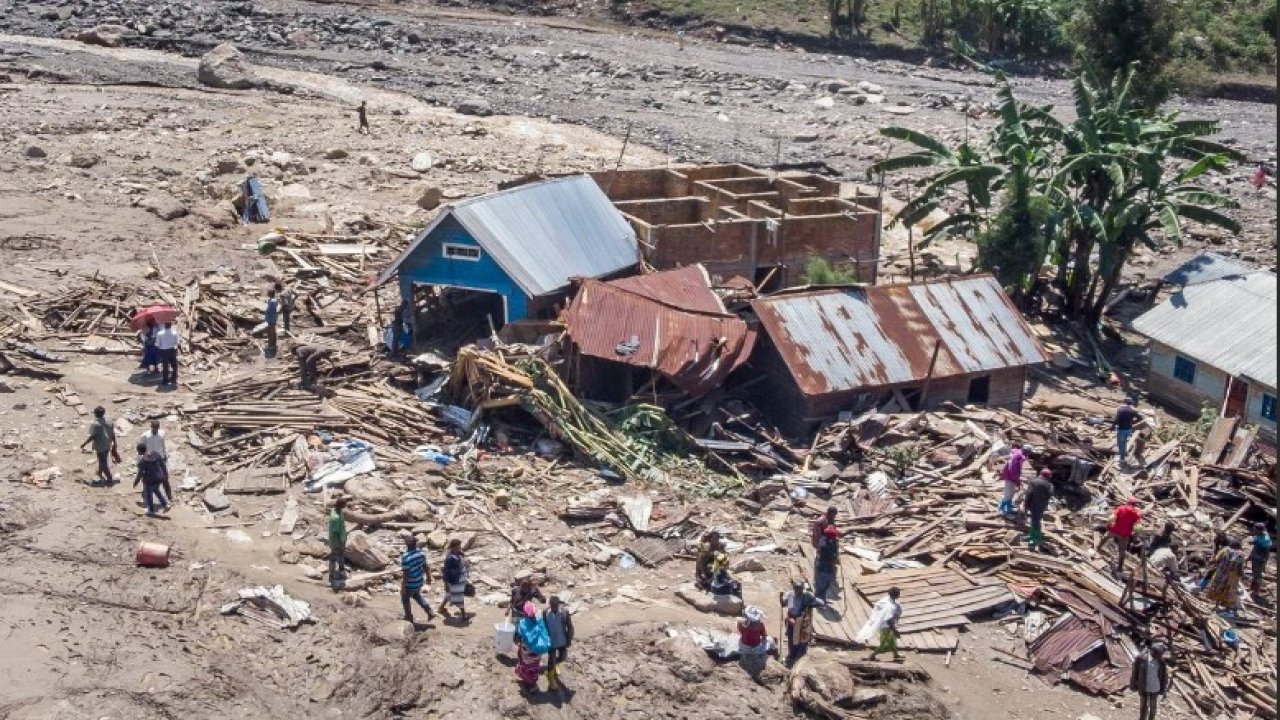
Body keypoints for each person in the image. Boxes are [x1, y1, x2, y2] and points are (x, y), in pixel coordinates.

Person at [780, 578, 827, 666]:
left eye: (799, 588)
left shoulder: (807, 596)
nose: (798, 590)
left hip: (803, 622)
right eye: (796, 588)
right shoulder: (790, 596)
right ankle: (792, 655)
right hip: (792, 620)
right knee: (791, 638)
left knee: (802, 640)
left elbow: (820, 603)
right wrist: (781, 599)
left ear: (802, 588)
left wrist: (814, 604)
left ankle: (800, 658)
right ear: (794, 588)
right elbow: (787, 607)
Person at [514, 601, 549, 692]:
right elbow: (544, 631)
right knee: (533, 667)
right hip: (537, 649)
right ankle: (530, 682)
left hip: (526, 649)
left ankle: (533, 685)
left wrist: (518, 641)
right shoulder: (539, 620)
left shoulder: (522, 623)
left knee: (526, 665)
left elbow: (518, 636)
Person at [1129, 641, 1169, 720]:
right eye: (1158, 654)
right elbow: (1135, 672)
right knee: (1143, 705)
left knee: (1153, 706)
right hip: (1143, 686)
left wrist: (1163, 689)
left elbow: (1164, 676)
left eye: (1160, 655)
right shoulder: (1141, 659)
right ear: (1152, 651)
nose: (1159, 656)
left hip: (1155, 687)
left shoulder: (1161, 662)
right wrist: (1133, 684)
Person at [399, 534, 434, 623]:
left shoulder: (405, 557)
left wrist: (402, 587)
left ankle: (409, 616)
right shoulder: (421, 553)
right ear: (415, 544)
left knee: (405, 599)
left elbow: (406, 574)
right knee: (416, 596)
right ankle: (429, 610)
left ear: (406, 544)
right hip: (419, 581)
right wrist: (429, 578)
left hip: (410, 583)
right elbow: (426, 566)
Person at [1204, 538, 1246, 611]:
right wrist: (1242, 575)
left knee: (1218, 588)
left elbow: (1216, 560)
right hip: (1232, 576)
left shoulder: (1225, 550)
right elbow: (1240, 567)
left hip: (1221, 573)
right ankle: (1227, 608)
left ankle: (1216, 606)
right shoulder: (1240, 555)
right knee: (1229, 591)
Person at [542, 595, 574, 691]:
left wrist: (569, 639)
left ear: (558, 604)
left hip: (562, 640)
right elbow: (543, 626)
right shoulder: (545, 613)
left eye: (556, 605)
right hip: (551, 641)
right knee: (551, 660)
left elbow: (570, 627)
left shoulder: (564, 613)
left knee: (563, 657)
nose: (554, 607)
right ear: (550, 604)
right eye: (552, 605)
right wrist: (544, 639)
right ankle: (551, 680)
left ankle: (555, 664)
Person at [81, 406, 119, 485]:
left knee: (103, 462)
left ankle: (109, 478)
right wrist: (114, 442)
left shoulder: (96, 424)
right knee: (103, 460)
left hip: (100, 446)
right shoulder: (109, 420)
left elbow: (92, 436)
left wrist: (84, 444)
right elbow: (112, 432)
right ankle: (99, 472)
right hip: (108, 443)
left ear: (95, 414)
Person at [864, 587, 903, 662]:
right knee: (885, 645)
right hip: (887, 627)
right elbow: (889, 620)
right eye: (898, 594)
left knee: (893, 641)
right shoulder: (891, 607)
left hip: (884, 625)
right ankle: (872, 655)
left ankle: (896, 655)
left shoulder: (886, 601)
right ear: (897, 595)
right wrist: (895, 631)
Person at [437, 539, 472, 621]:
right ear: (454, 547)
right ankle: (463, 615)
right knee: (459, 597)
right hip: (455, 580)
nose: (460, 547)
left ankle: (441, 608)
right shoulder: (450, 558)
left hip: (459, 578)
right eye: (458, 546)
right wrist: (446, 583)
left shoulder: (457, 554)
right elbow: (447, 571)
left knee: (450, 593)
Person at [1106, 497, 1142, 573]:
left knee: (1106, 536)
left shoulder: (1121, 508)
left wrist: (1108, 525)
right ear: (1135, 505)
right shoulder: (1136, 514)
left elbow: (1111, 518)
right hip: (1124, 535)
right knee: (1122, 551)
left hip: (1114, 530)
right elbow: (1139, 528)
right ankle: (1120, 567)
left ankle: (1098, 547)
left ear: (1127, 503)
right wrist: (1135, 535)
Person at [133, 441, 169, 515]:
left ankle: (151, 510)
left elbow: (140, 473)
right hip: (159, 478)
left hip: (149, 480)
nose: (138, 452)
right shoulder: (155, 454)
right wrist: (165, 474)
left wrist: (136, 482)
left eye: (138, 451)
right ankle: (165, 504)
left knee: (148, 495)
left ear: (140, 451)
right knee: (156, 491)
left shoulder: (143, 461)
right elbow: (163, 465)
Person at [141, 420, 172, 501]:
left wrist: (165, 456)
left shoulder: (161, 434)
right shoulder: (145, 436)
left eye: (157, 428)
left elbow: (163, 445)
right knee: (147, 477)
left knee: (165, 477)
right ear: (151, 427)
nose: (155, 430)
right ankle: (146, 492)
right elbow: (141, 448)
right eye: (154, 428)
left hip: (160, 459)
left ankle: (169, 495)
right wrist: (141, 460)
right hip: (149, 460)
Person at [1024, 468, 1054, 548]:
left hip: (1033, 505)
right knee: (1036, 521)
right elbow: (1050, 495)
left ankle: (1035, 539)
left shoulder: (1034, 482)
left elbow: (1028, 494)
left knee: (1035, 522)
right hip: (1042, 506)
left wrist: (1026, 505)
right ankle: (1034, 536)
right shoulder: (1049, 485)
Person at [813, 524, 840, 600]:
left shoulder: (826, 541)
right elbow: (829, 557)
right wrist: (834, 557)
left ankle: (822, 597)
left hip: (824, 566)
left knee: (825, 584)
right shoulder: (824, 545)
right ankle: (819, 599)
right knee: (822, 584)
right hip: (824, 567)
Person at [999, 442, 1026, 515]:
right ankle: (1003, 510)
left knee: (1011, 492)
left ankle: (1008, 507)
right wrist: (1016, 480)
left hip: (1009, 475)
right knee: (1008, 493)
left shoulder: (1017, 453)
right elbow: (1013, 469)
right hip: (1009, 476)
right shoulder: (1018, 457)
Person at [328, 496, 348, 590]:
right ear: (341, 505)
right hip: (337, 540)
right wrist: (341, 541)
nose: (345, 506)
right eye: (344, 504)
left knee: (341, 554)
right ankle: (332, 575)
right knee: (334, 556)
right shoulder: (335, 517)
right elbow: (335, 532)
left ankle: (341, 569)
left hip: (341, 538)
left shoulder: (336, 511)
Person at [1114, 398, 1141, 466]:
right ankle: (1124, 453)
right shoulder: (1132, 410)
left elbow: (1117, 419)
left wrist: (1112, 426)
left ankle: (1122, 458)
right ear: (1131, 404)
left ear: (1124, 402)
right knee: (1125, 441)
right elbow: (1139, 418)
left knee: (1120, 444)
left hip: (1121, 429)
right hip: (1129, 429)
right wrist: (1132, 422)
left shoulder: (1120, 409)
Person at [1248, 523, 1273, 596]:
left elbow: (1266, 552)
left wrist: (1262, 561)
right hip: (1255, 556)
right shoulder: (1259, 535)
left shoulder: (1266, 540)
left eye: (1255, 530)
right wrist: (1251, 555)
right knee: (1254, 573)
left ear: (1260, 530)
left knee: (1258, 575)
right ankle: (1252, 588)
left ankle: (1256, 591)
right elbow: (1255, 544)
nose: (1254, 531)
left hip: (1260, 559)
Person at [155, 321, 179, 387]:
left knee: (165, 366)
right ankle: (174, 379)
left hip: (163, 351)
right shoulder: (174, 333)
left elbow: (157, 344)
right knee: (174, 366)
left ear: (164, 325)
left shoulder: (160, 333)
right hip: (172, 350)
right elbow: (176, 343)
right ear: (170, 326)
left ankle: (165, 381)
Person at [264, 288, 279, 353]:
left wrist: (266, 313)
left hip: (271, 318)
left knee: (270, 331)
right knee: (272, 330)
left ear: (270, 294)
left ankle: (271, 345)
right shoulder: (273, 300)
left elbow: (270, 310)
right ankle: (273, 344)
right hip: (272, 317)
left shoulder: (272, 301)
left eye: (268, 292)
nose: (267, 293)